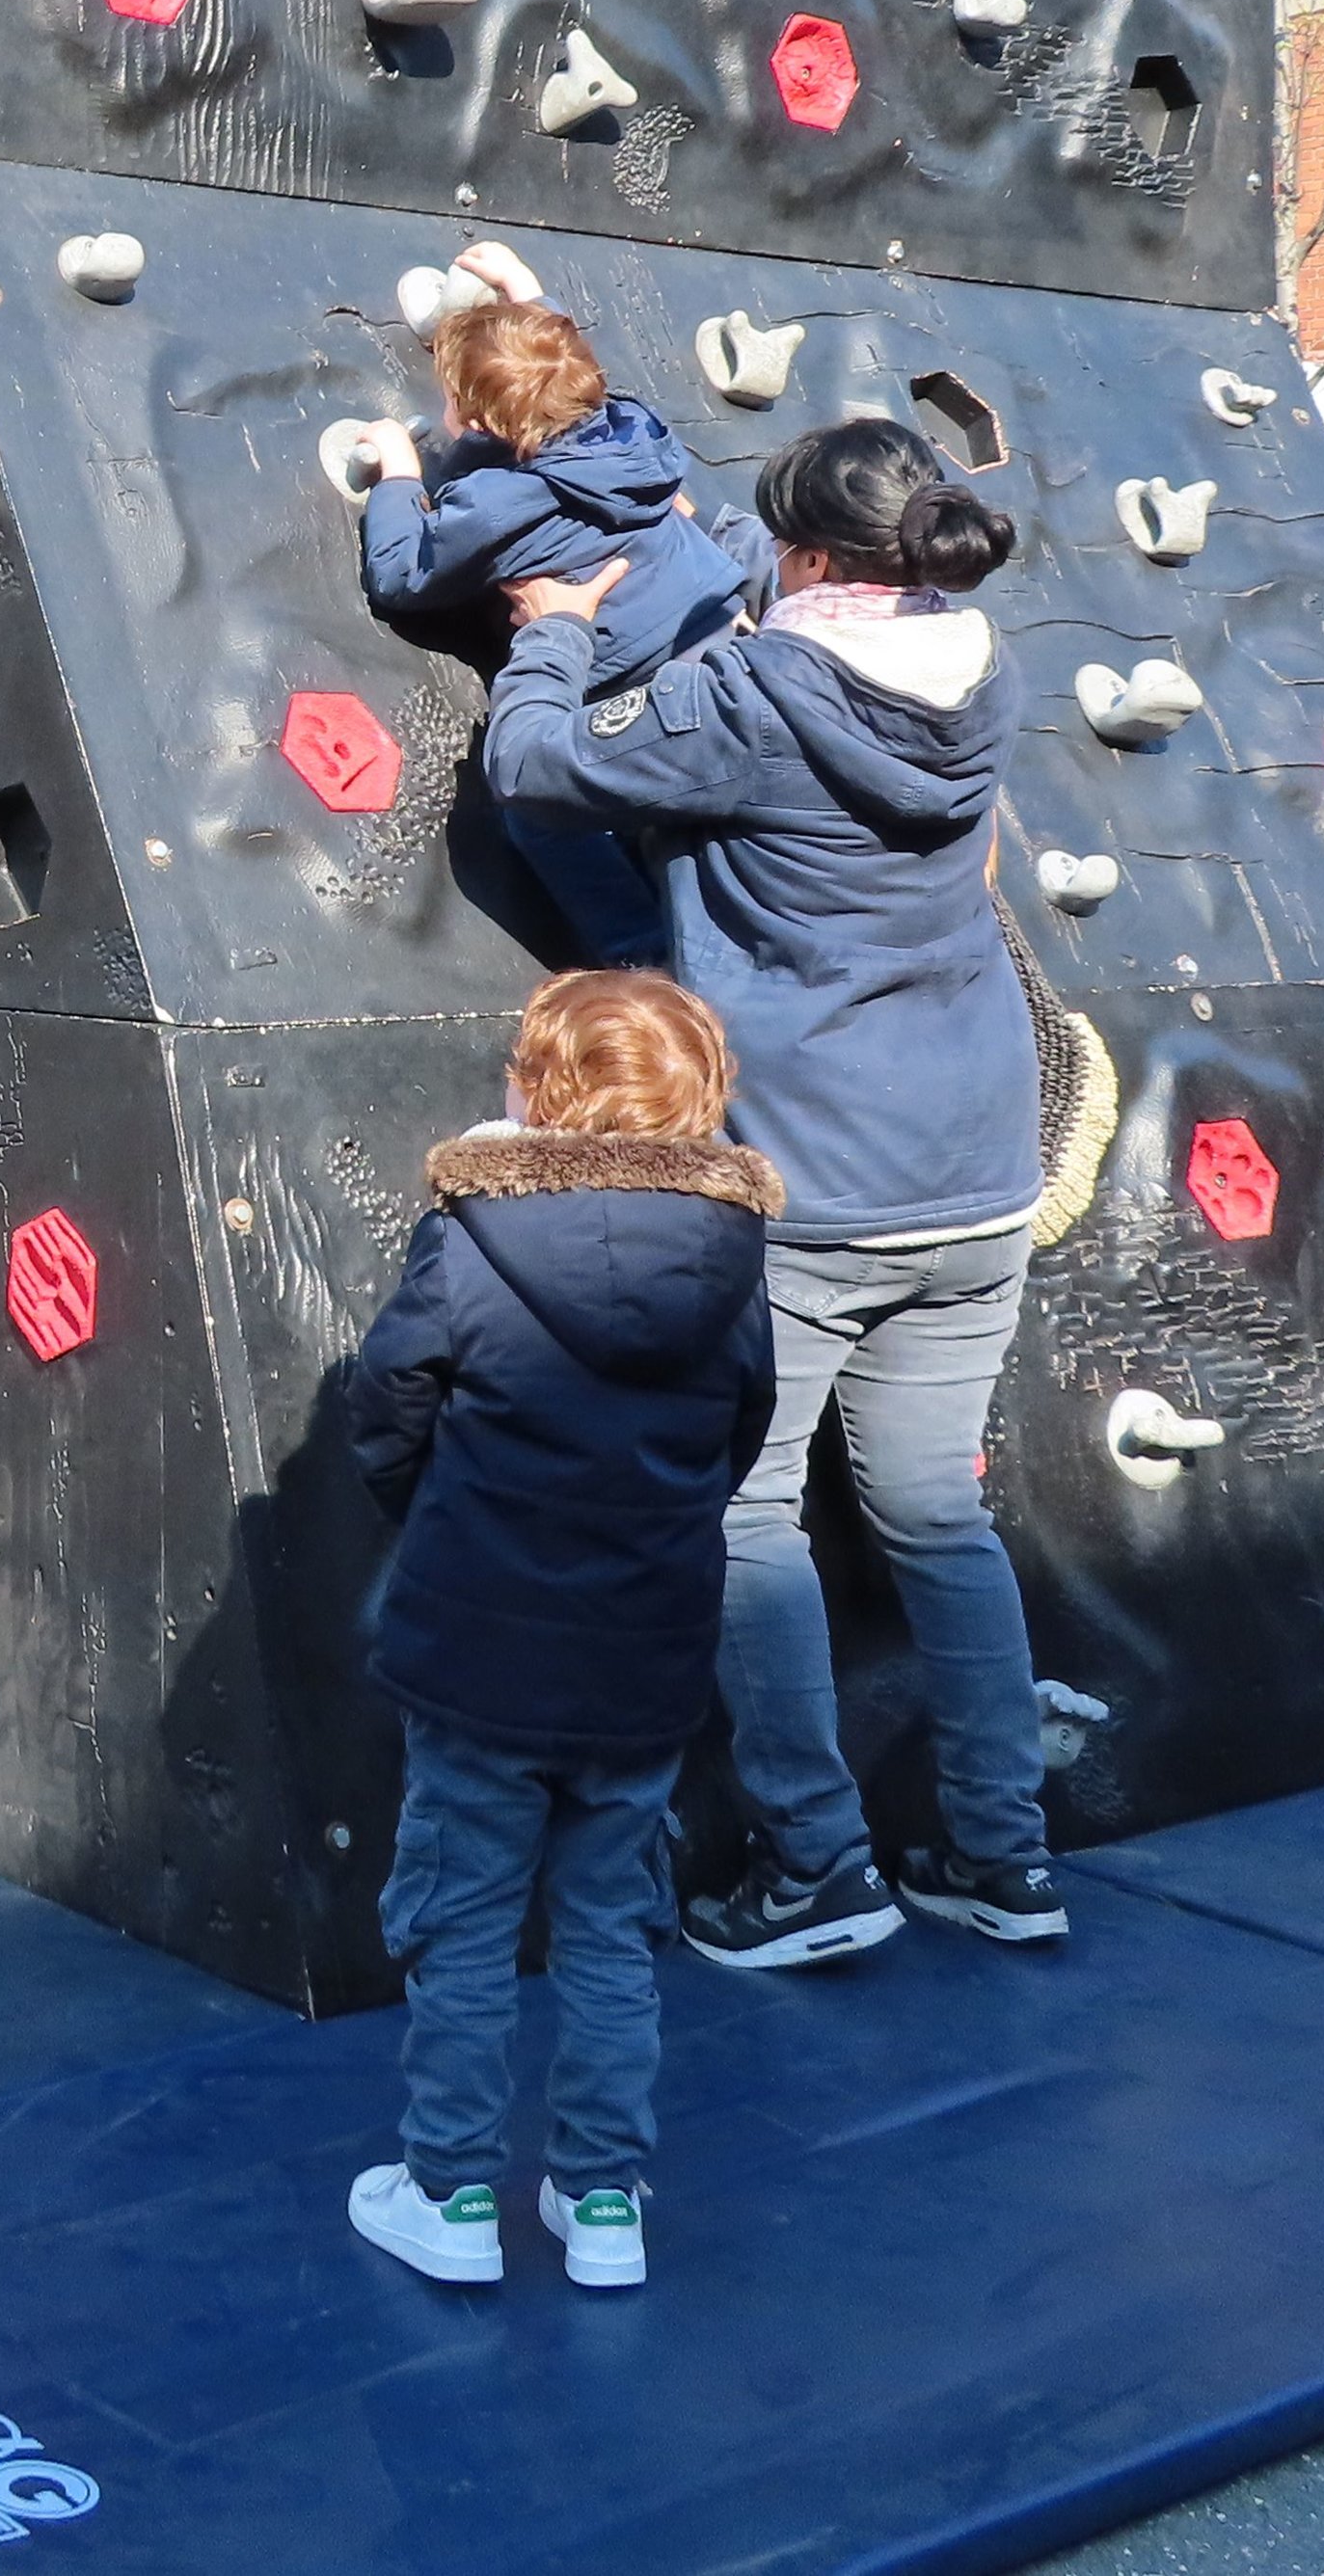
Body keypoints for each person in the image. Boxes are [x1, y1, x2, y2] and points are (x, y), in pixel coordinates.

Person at [478, 415, 1063, 1970]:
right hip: (979, 1162)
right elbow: (817, 623)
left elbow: (540, 769)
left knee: (744, 1514)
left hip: (816, 1168)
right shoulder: (981, 667)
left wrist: (552, 635)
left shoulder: (755, 692)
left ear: (803, 554)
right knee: (940, 1516)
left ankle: (818, 1869)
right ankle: (1003, 1857)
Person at [342, 970, 781, 2294]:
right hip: (641, 1657)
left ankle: (453, 2187)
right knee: (608, 1930)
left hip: (479, 1652)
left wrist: (436, 1516)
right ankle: (602, 2204)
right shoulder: (732, 1251)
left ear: (534, 1090)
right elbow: (741, 1428)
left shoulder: (473, 1233)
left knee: (463, 1925)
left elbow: (387, 1404)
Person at [354, 250, 768, 965]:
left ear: (481, 423)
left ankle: (642, 958)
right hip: (722, 638)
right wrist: (526, 298)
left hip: (642, 685)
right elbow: (573, 381)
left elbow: (401, 574)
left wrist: (397, 473)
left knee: (544, 818)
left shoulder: (502, 506)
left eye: (453, 401)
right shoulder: (628, 431)